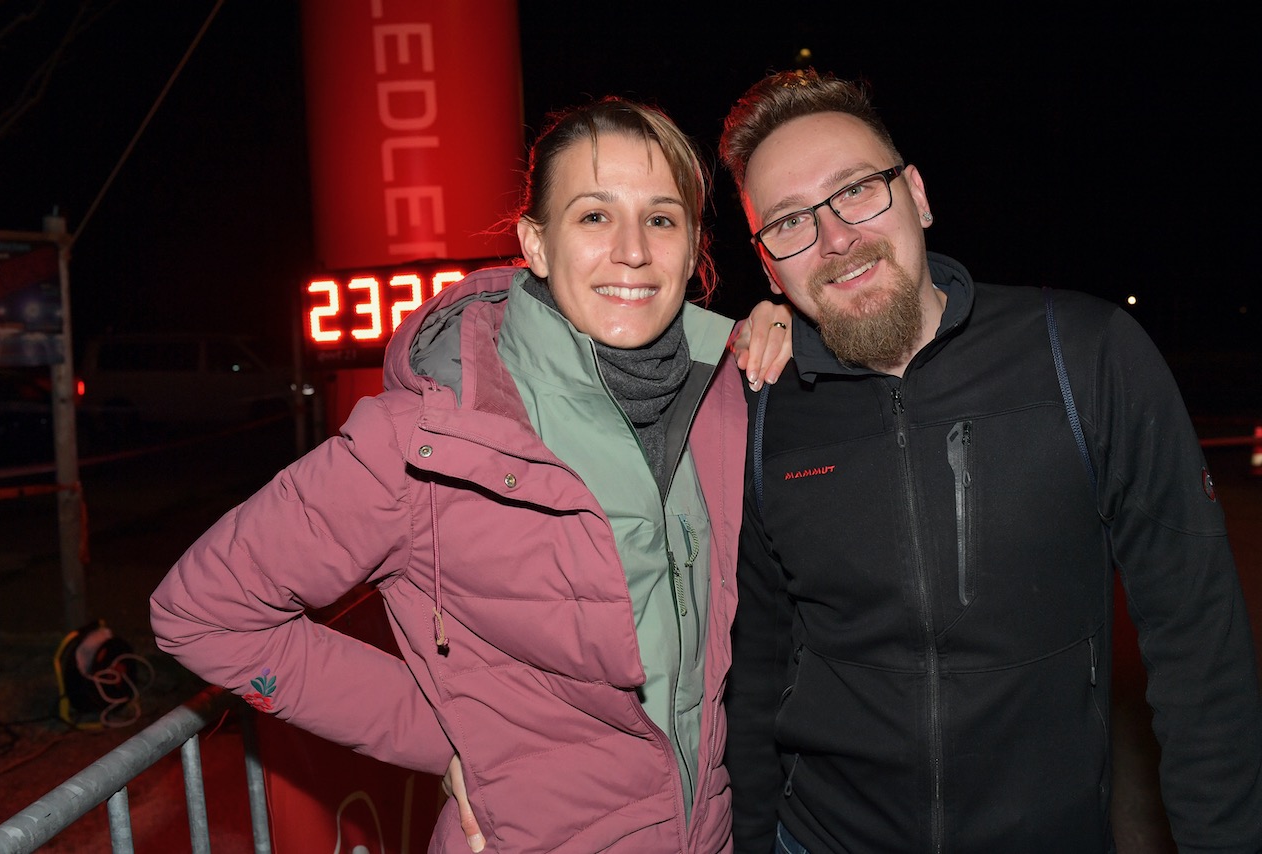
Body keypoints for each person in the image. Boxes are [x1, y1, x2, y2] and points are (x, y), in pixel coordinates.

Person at [150, 96, 789, 853]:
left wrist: (783, 326)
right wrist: (450, 742)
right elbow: (203, 613)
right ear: (537, 244)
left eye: (661, 218)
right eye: (592, 216)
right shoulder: (423, 442)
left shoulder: (729, 400)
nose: (632, 249)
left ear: (691, 249)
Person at [717, 68, 1262, 853]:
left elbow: (1199, 648)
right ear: (769, 265)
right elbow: (757, 677)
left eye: (857, 191)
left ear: (918, 195)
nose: (835, 237)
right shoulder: (761, 413)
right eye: (791, 222)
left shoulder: (1084, 357)